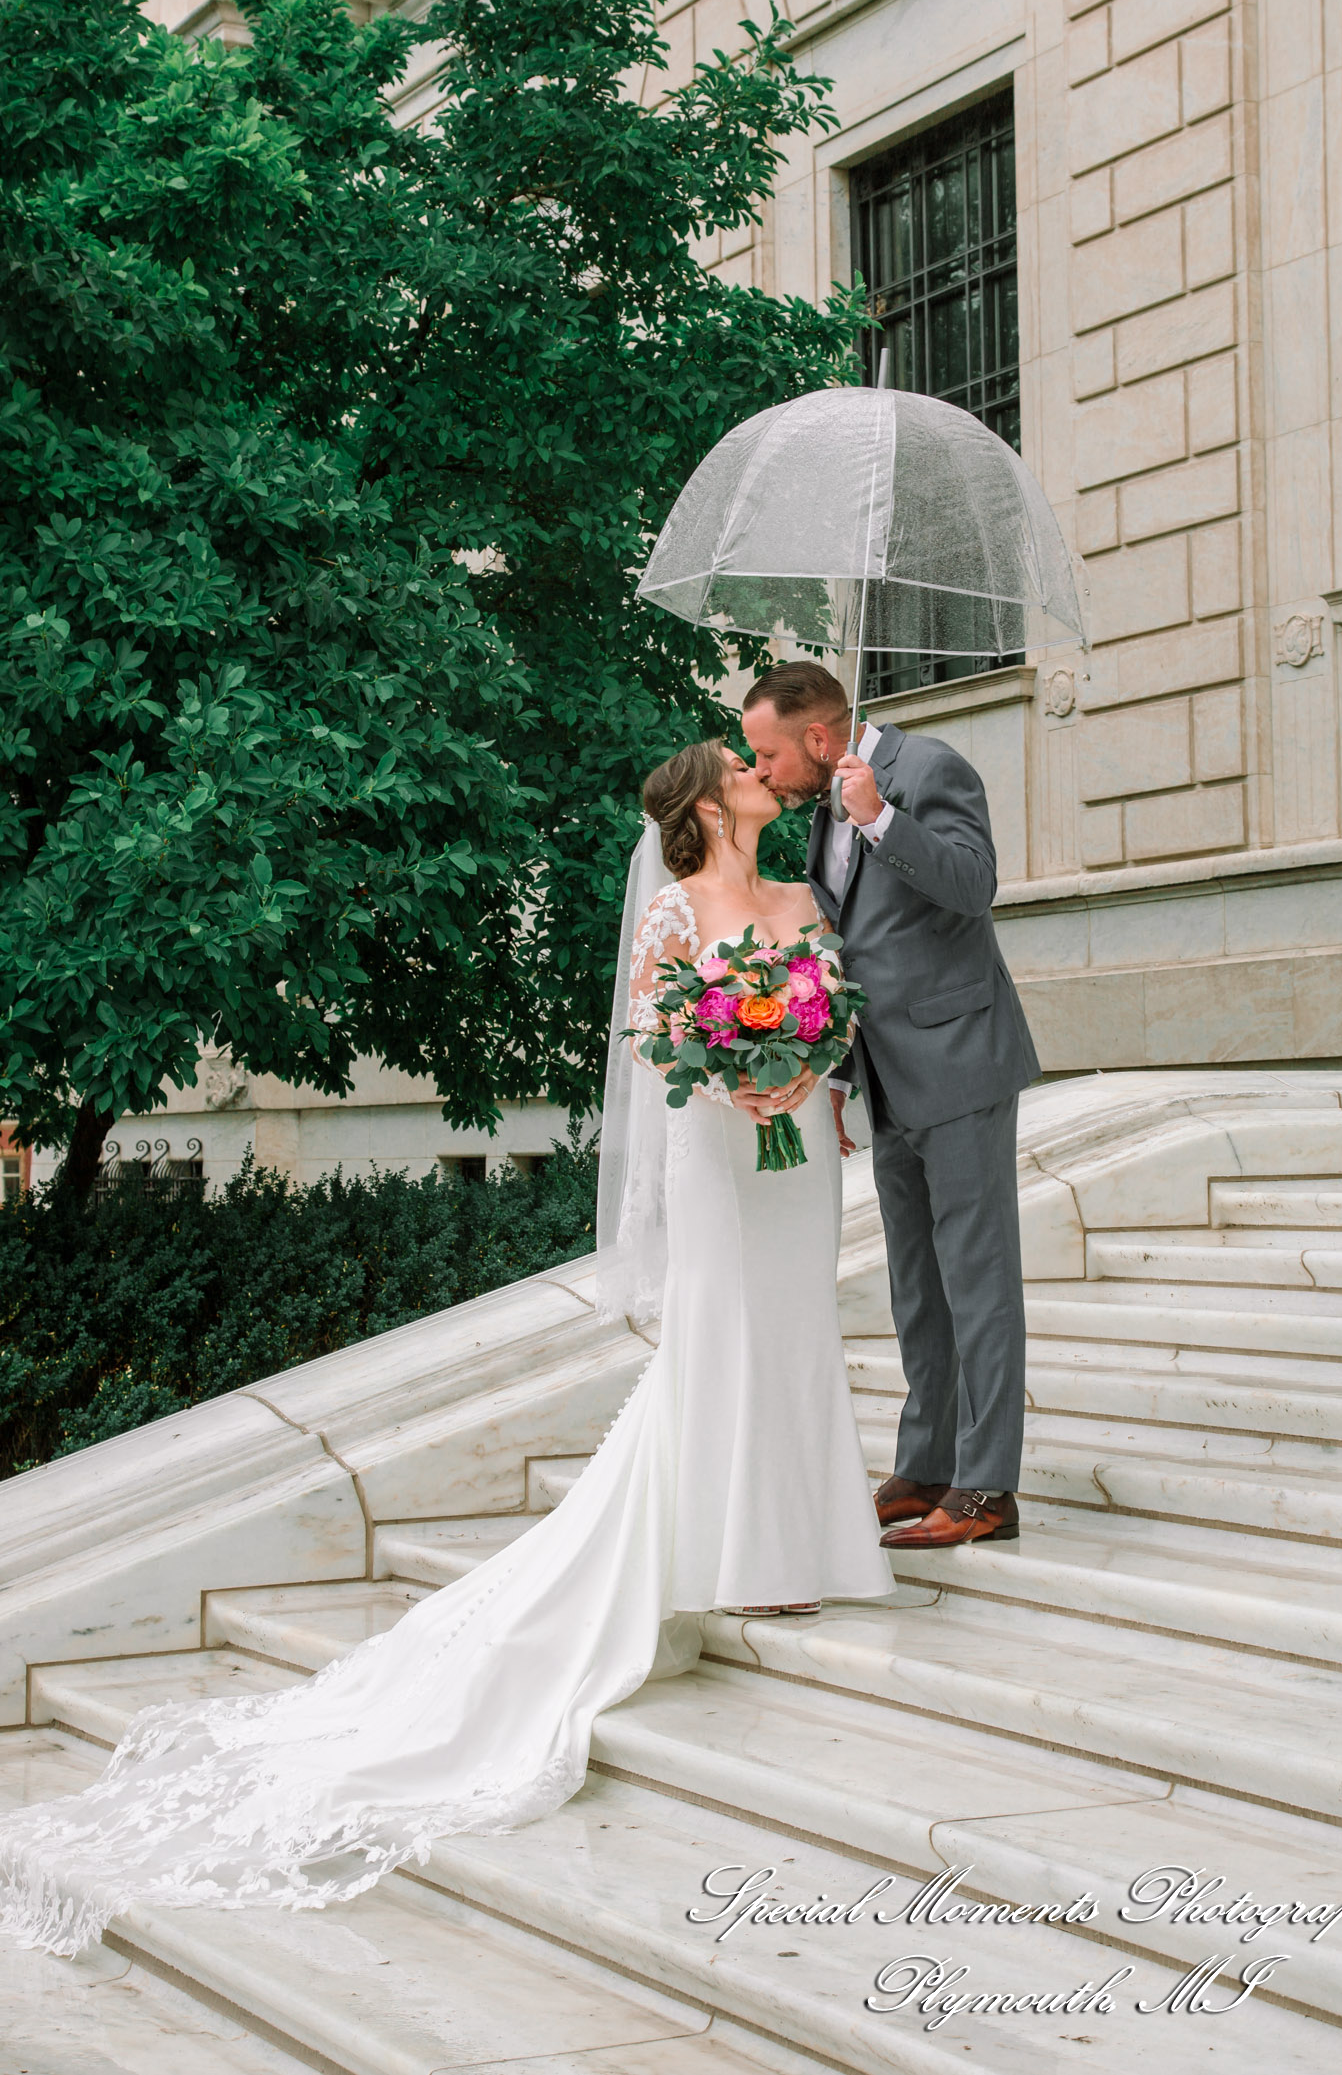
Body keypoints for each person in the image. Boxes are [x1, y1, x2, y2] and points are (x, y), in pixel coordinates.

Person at [0, 739, 892, 1959]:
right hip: (716, 1149)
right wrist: (731, 1078)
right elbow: (652, 1039)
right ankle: (726, 1542)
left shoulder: (799, 900)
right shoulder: (678, 907)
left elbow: (836, 1014)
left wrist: (798, 1065)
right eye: (739, 766)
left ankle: (802, 1535)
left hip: (793, 1161)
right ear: (700, 804)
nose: (758, 771)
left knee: (794, 1332)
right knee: (724, 1332)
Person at [742, 661, 1039, 1550]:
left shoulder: (928, 771)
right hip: (883, 1074)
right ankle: (926, 1464)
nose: (760, 773)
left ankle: (987, 1488)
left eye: (767, 755)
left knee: (976, 1280)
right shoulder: (820, 808)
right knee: (918, 1283)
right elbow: (849, 942)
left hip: (960, 1063)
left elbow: (973, 886)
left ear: (819, 739)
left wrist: (882, 818)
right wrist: (837, 1077)